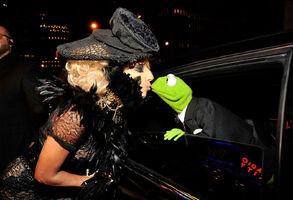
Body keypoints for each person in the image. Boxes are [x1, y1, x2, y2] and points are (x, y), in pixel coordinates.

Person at [0, 7, 159, 199]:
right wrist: (94, 182)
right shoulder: (76, 115)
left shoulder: (114, 108)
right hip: (24, 190)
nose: (150, 76)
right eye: (138, 68)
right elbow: (44, 175)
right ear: (110, 71)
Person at [151, 74, 262, 144]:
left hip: (255, 156)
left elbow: (208, 140)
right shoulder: (192, 109)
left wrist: (186, 138)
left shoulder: (203, 106)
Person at [0, 26, 42, 173]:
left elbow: (38, 109)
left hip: (12, 152)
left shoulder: (25, 69)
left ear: (10, 42)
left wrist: (31, 140)